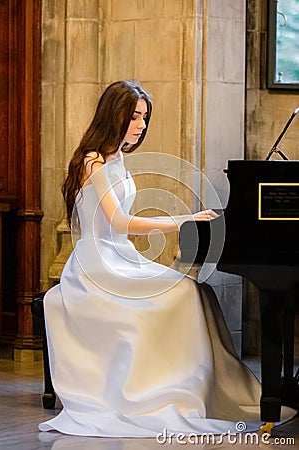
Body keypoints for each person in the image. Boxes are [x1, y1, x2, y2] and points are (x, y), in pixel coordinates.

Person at [38, 81, 293, 437]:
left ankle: (203, 391)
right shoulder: (92, 161)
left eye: (144, 116)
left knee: (197, 291)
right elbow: (118, 222)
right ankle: (161, 392)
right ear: (115, 115)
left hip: (119, 255)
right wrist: (180, 219)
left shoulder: (118, 157)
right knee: (182, 295)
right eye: (134, 116)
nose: (141, 124)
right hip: (95, 265)